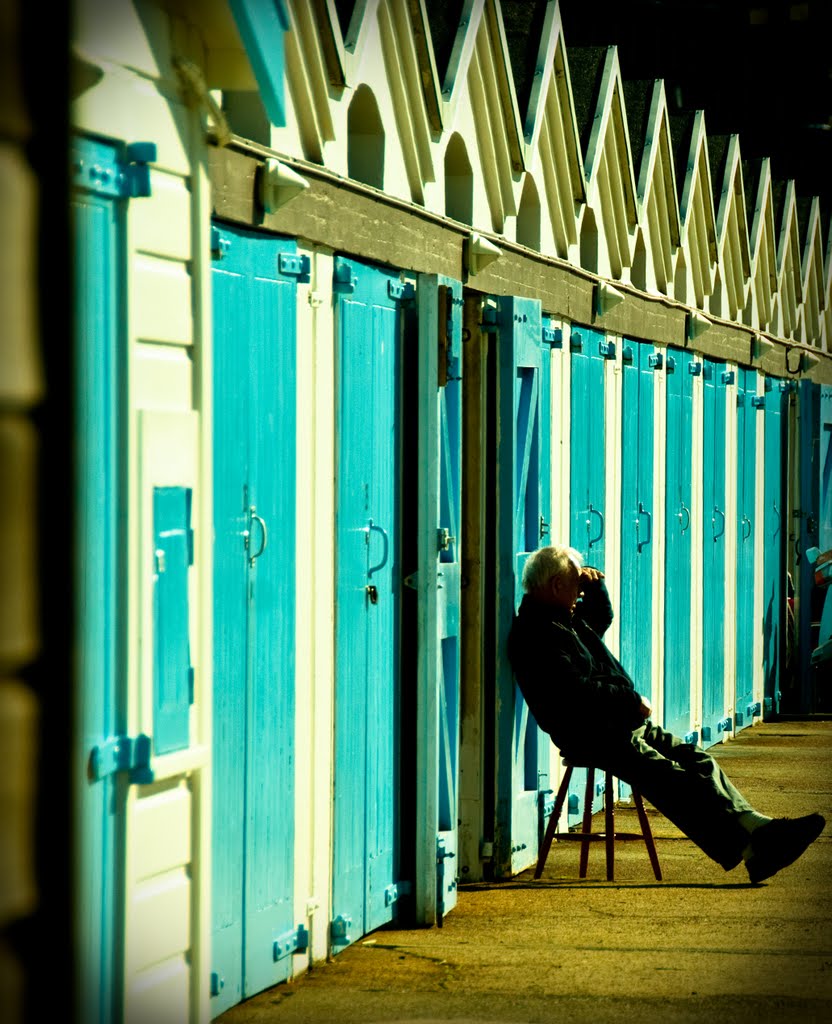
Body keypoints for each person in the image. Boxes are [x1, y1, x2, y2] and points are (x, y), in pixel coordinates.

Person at [507, 544, 825, 883]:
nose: (578, 595)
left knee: (698, 761)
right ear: (556, 586)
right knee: (673, 778)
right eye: (574, 586)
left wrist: (592, 582)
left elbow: (601, 617)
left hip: (619, 722)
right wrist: (631, 701)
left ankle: (759, 837)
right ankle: (756, 846)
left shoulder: (565, 619)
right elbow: (577, 693)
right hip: (591, 733)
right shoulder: (537, 634)